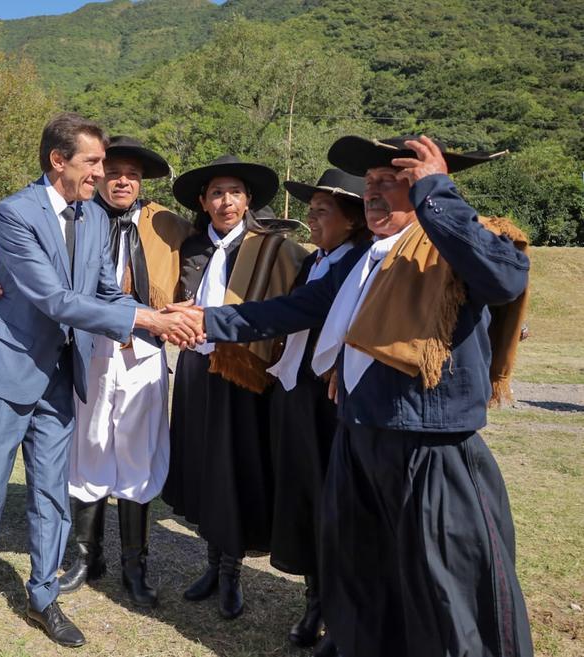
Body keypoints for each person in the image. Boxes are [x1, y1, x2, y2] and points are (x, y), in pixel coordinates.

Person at [168, 136, 533, 657]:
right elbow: (289, 310)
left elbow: (504, 277)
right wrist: (205, 319)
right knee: (361, 564)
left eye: (395, 182)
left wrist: (438, 191)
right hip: (361, 434)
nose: (376, 195)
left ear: (428, 187)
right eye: (371, 186)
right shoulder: (362, 262)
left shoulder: (454, 245)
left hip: (426, 444)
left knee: (443, 581)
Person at [0, 113, 199, 654]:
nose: (102, 173)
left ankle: (42, 593)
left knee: (52, 494)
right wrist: (148, 321)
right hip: (6, 372)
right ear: (59, 161)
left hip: (62, 377)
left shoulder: (95, 219)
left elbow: (106, 291)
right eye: (94, 162)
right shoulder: (13, 212)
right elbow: (54, 297)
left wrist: (159, 314)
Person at [159, 154, 308, 621]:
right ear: (203, 202)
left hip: (243, 373)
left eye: (235, 193)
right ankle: (210, 562)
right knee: (202, 464)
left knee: (234, 468)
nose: (226, 202)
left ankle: (231, 573)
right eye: (217, 193)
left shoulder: (273, 250)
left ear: (248, 201)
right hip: (194, 371)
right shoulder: (189, 248)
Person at [268, 169, 370, 656]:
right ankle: (315, 598)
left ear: (351, 221)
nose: (310, 216)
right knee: (306, 496)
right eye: (310, 208)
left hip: (331, 401)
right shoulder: (316, 261)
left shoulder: (360, 265)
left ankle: (338, 608)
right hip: (298, 391)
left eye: (322, 210)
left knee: (335, 505)